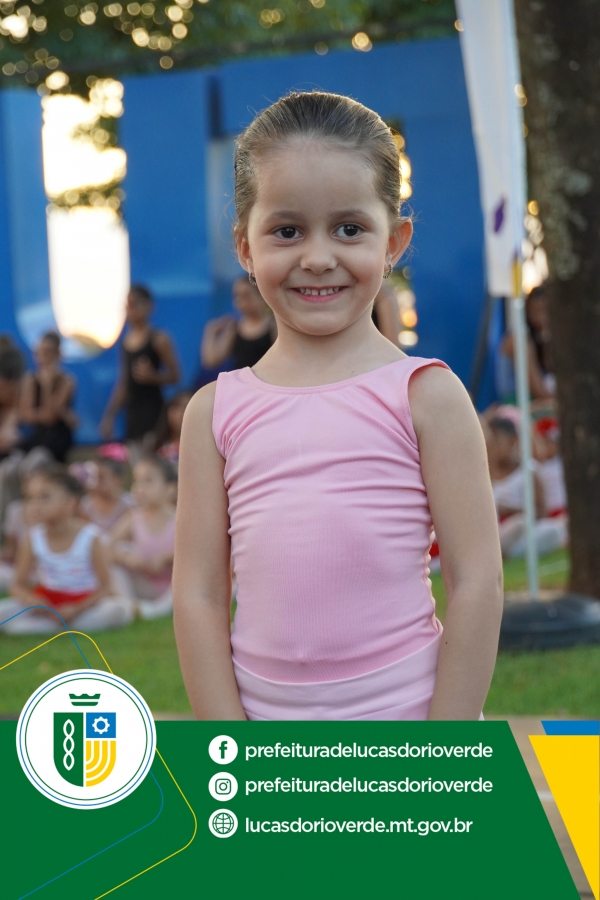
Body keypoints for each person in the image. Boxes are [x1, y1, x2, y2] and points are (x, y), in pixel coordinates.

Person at [173, 90, 503, 722]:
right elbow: (198, 597)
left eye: (349, 229)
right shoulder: (213, 414)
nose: (318, 258)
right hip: (263, 739)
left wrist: (443, 753)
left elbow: (476, 581)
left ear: (394, 240)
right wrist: (232, 750)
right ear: (245, 246)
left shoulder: (427, 396)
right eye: (287, 231)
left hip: (409, 727)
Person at [0, 465, 135, 634]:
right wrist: (32, 600)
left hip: (84, 603)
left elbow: (106, 587)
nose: (36, 505)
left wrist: (77, 608)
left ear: (70, 502)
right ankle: (57, 626)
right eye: (31, 498)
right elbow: (17, 585)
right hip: (48, 601)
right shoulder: (32, 538)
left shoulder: (91, 537)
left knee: (117, 611)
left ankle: (44, 627)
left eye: (45, 497)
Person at [100, 285, 180, 453]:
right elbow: (124, 381)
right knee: (135, 460)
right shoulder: (126, 341)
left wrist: (154, 377)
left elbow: (175, 376)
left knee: (153, 459)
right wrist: (110, 416)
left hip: (153, 413)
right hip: (132, 414)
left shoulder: (159, 339)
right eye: (127, 305)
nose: (130, 310)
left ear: (148, 306)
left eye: (134, 304)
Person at [486, 416, 566, 559]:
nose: (493, 448)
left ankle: (504, 552)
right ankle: (502, 550)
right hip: (496, 532)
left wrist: (510, 511)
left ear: (513, 440)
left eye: (497, 441)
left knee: (546, 529)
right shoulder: (485, 474)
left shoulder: (529, 471)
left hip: (523, 530)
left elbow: (542, 512)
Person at [109, 455, 176, 620]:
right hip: (145, 582)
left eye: (148, 481)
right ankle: (129, 605)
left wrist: (166, 558)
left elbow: (196, 552)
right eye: (137, 481)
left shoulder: (180, 518)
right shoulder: (133, 517)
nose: (140, 488)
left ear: (170, 488)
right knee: (119, 554)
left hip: (173, 587)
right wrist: (127, 558)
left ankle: (159, 609)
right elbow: (106, 547)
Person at [18, 332, 76, 463]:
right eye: (39, 353)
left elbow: (49, 417)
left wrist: (47, 387)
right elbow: (24, 414)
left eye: (47, 353)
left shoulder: (67, 381)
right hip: (35, 437)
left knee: (36, 460)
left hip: (56, 440)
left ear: (57, 354)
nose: (42, 358)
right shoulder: (30, 379)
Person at [200, 276, 277, 371]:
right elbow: (211, 360)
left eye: (246, 296)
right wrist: (210, 332)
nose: (241, 301)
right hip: (241, 379)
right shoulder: (234, 328)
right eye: (236, 296)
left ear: (261, 296)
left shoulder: (274, 326)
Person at [79, 447, 133, 535]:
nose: (97, 482)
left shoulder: (129, 504)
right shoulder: (86, 505)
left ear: (118, 480)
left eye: (101, 478)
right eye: (94, 477)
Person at [154, 390, 193, 469]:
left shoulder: (201, 446)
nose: (181, 413)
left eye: (186, 407)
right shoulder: (154, 443)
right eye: (176, 407)